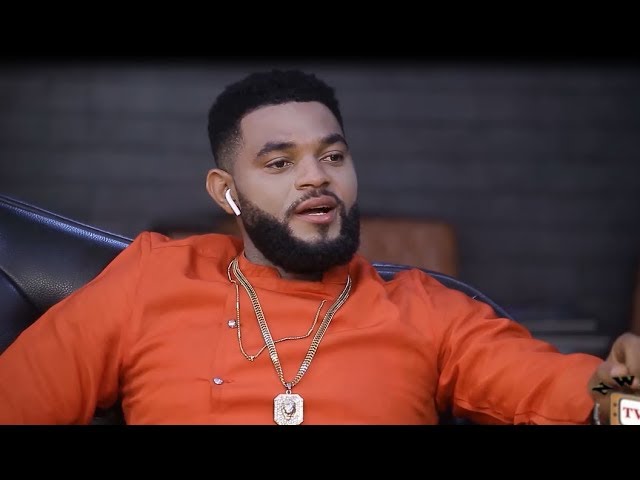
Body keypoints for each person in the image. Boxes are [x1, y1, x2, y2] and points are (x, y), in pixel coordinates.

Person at [0, 69, 638, 425]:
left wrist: (624, 392)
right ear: (226, 192)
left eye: (333, 156)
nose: (317, 178)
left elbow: (576, 397)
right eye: (279, 163)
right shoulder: (152, 278)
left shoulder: (425, 309)